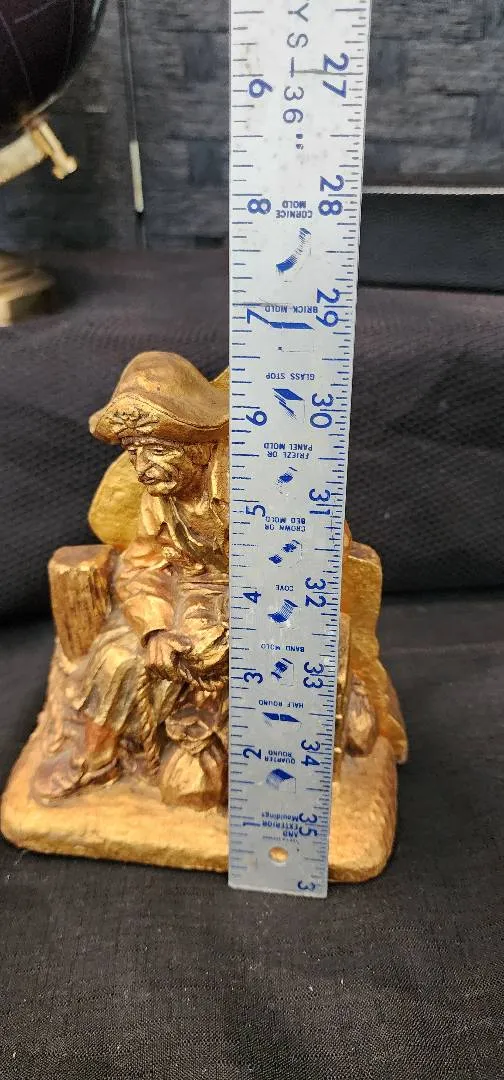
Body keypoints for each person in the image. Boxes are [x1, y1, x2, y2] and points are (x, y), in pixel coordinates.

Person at [34, 352, 230, 807]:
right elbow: (142, 566)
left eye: (158, 449)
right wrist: (155, 629)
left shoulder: (255, 483)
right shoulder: (159, 496)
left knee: (207, 653)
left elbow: (318, 551)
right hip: (187, 596)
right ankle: (98, 759)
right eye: (134, 451)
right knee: (116, 654)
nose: (143, 468)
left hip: (260, 603)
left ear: (199, 444)